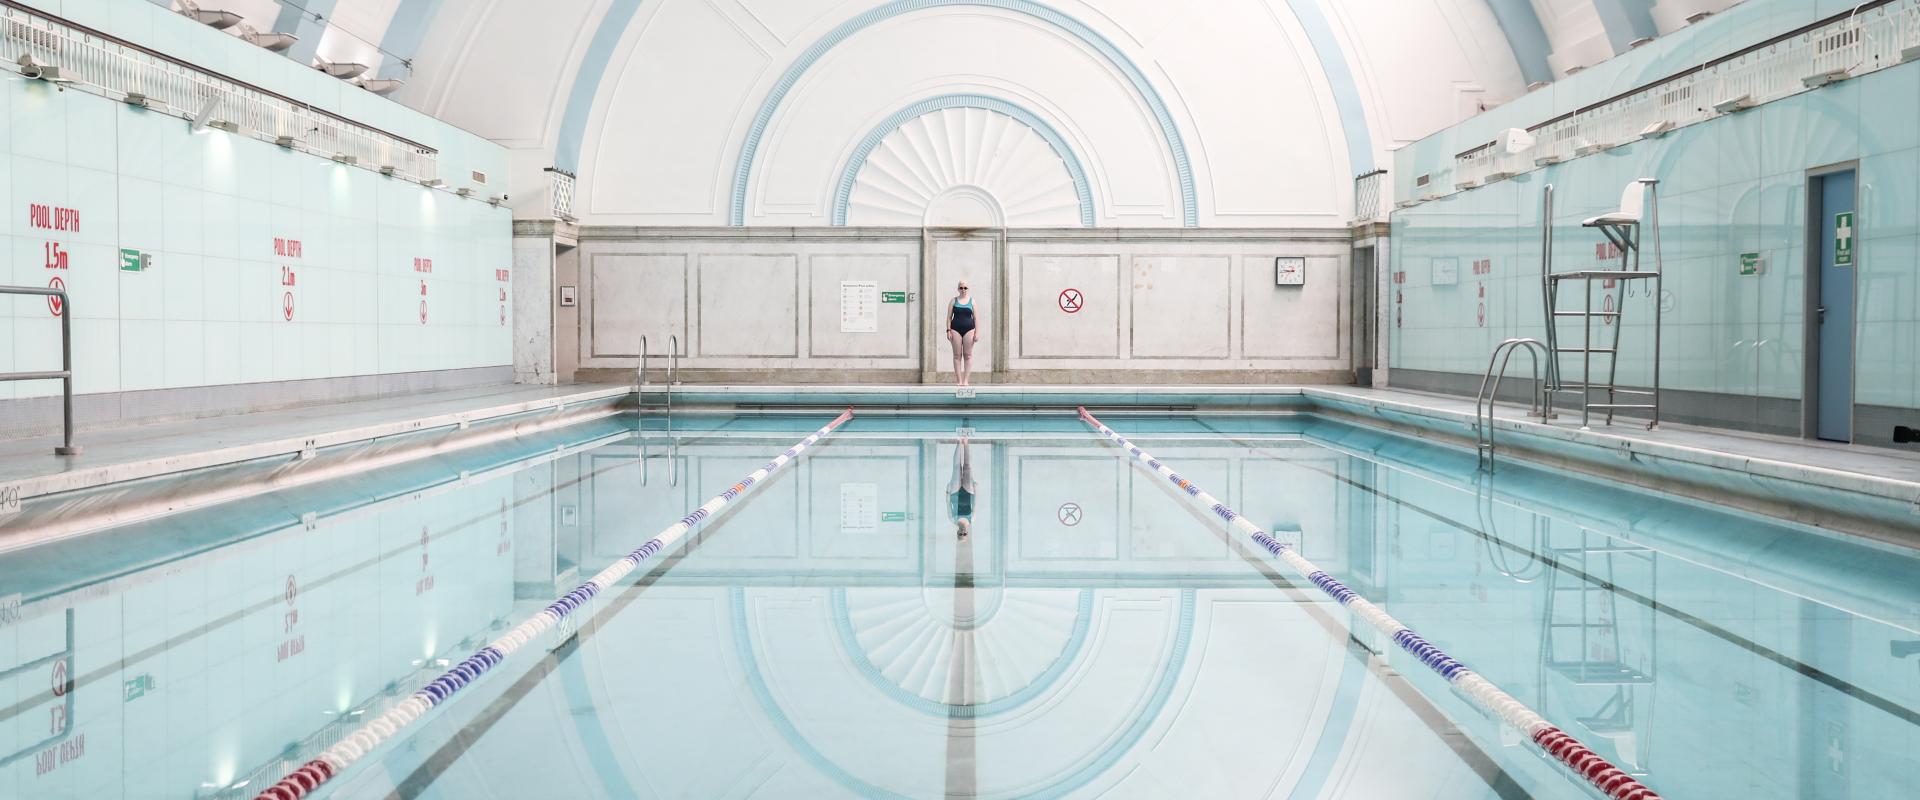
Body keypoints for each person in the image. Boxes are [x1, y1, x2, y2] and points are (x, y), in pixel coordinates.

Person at [947, 282, 979, 386]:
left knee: (968, 355)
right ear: (958, 289)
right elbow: (948, 317)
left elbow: (976, 318)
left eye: (965, 288)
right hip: (955, 329)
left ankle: (965, 381)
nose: (963, 289)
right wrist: (948, 330)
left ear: (968, 289)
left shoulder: (972, 301)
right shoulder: (953, 301)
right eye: (961, 287)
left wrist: (977, 333)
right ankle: (959, 381)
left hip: (969, 329)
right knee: (957, 355)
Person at [947, 437, 976, 539]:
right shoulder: (971, 519)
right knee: (967, 466)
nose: (963, 533)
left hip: (955, 492)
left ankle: (959, 442)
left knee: (957, 467)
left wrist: (947, 491)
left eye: (960, 534)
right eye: (965, 534)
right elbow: (975, 504)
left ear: (957, 533)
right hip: (969, 492)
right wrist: (976, 490)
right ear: (967, 533)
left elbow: (948, 504)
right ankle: (966, 442)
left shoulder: (953, 519)